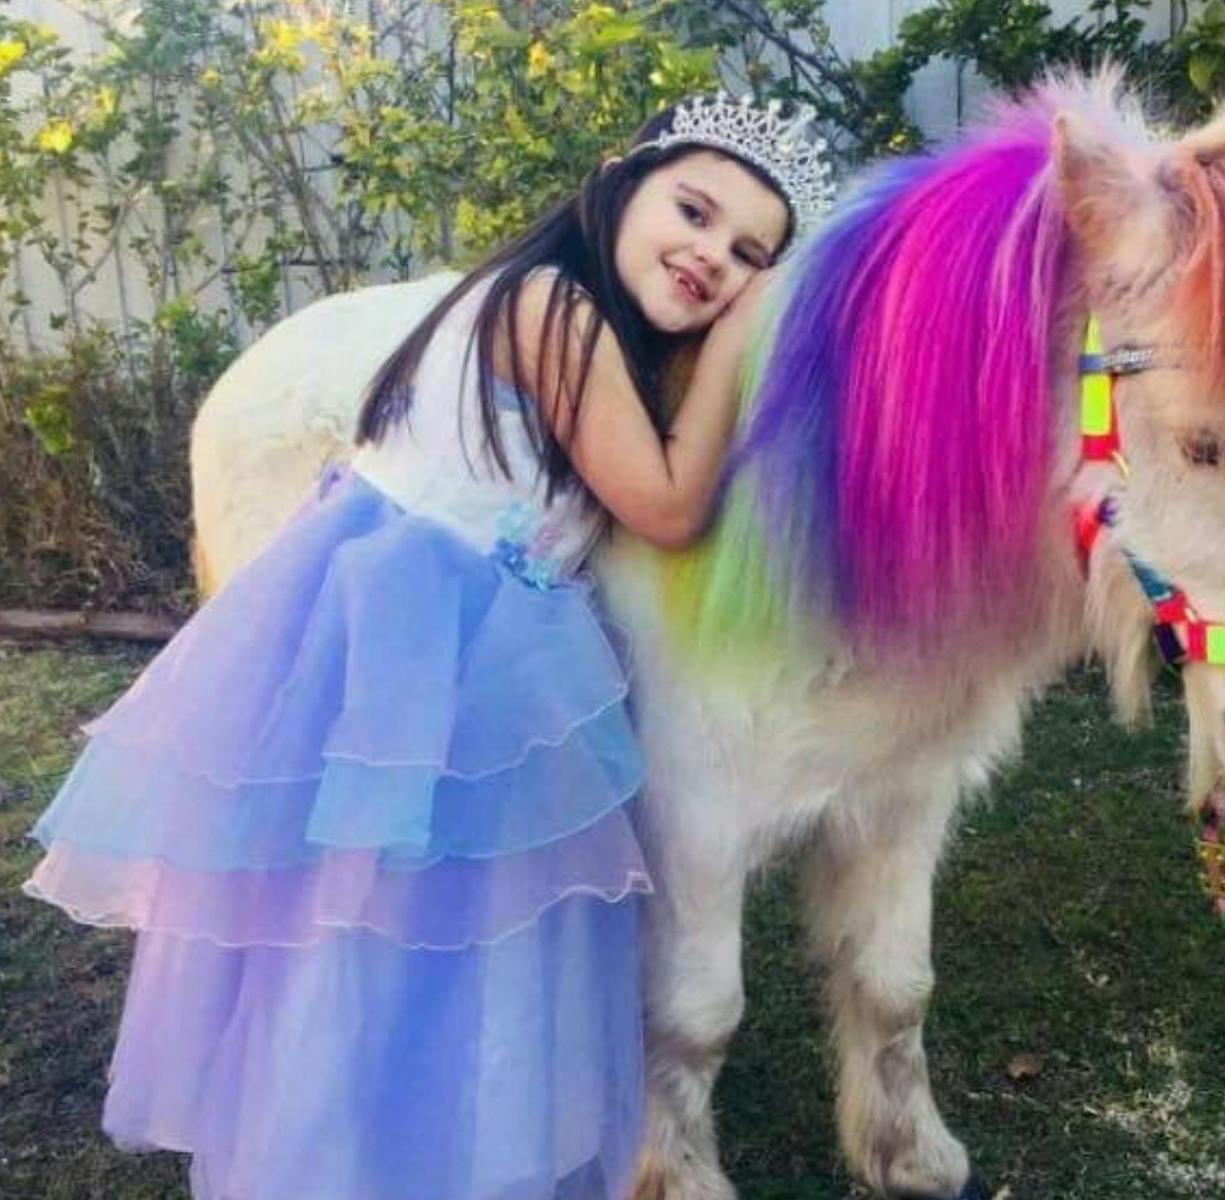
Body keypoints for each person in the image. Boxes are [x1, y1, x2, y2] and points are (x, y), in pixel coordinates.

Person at [22, 92, 833, 1200]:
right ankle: (340, 1159)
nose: (709, 257)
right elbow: (670, 506)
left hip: (471, 642)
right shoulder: (554, 308)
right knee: (383, 926)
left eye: (747, 257)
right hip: (427, 642)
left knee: (440, 931)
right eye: (692, 211)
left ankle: (414, 1147)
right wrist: (750, 327)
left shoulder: (576, 321)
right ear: (618, 182)